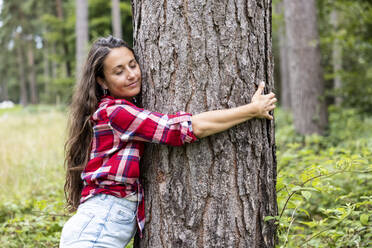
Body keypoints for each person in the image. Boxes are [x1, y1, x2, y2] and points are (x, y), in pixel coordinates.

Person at [59, 36, 276, 248]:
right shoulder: (116, 112)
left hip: (96, 223)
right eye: (119, 71)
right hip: (96, 228)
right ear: (102, 81)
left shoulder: (115, 109)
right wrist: (251, 110)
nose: (132, 75)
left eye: (133, 65)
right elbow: (181, 129)